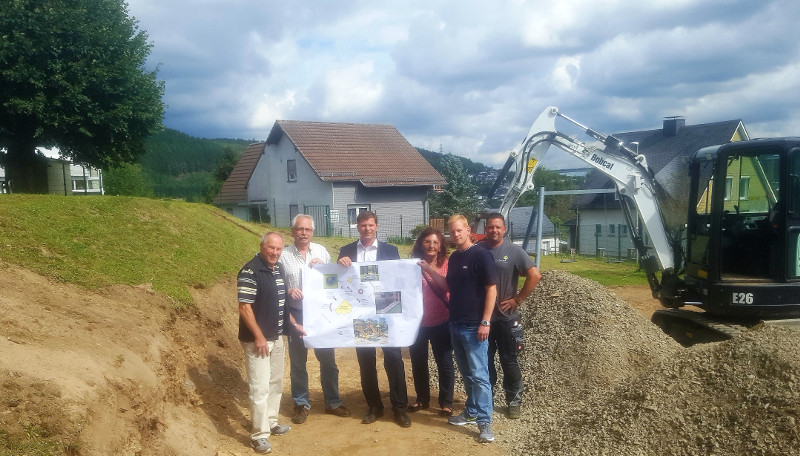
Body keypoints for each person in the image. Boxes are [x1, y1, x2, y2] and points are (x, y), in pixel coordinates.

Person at [337, 211, 411, 428]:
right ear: (357, 227)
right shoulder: (347, 251)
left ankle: (399, 408)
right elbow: (341, 282)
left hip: (386, 309)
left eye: (370, 225)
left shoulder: (391, 250)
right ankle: (374, 406)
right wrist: (340, 264)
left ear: (376, 226)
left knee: (393, 360)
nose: (366, 228)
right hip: (363, 312)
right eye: (362, 225)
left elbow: (398, 279)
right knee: (367, 361)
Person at [280, 214, 350, 425]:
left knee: (328, 360)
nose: (304, 233)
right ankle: (301, 403)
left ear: (312, 232)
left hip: (321, 314)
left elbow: (332, 283)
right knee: (298, 363)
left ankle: (333, 401)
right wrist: (289, 290)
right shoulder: (283, 256)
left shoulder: (321, 251)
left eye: (308, 230)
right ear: (292, 231)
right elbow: (277, 286)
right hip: (296, 313)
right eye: (300, 229)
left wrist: (324, 268)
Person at [480, 212, 541, 419]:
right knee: (485, 362)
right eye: (490, 227)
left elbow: (535, 275)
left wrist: (518, 299)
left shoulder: (514, 251)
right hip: (484, 320)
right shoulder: (478, 250)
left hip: (506, 319)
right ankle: (486, 401)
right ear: (485, 229)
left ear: (504, 229)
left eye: (498, 227)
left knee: (509, 361)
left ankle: (513, 402)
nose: (494, 230)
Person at [237, 232, 292, 454]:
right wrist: (259, 336)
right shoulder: (250, 271)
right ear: (262, 246)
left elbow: (280, 302)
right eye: (271, 248)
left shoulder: (278, 269)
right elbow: (244, 307)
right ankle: (258, 435)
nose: (275, 253)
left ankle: (271, 421)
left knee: (275, 382)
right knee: (259, 388)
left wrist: (293, 324)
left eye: (279, 249)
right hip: (257, 341)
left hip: (277, 337)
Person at [445, 214, 497, 444]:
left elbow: (492, 289)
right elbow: (448, 286)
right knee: (467, 374)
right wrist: (426, 268)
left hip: (474, 327)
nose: (456, 234)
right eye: (452, 231)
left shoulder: (480, 255)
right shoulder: (455, 257)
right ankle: (472, 410)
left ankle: (484, 422)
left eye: (459, 230)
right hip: (455, 324)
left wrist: (485, 321)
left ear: (468, 230)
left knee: (480, 375)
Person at [409, 227, 455, 417]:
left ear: (441, 246)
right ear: (421, 243)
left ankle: (446, 402)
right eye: (427, 241)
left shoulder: (447, 264)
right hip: (416, 323)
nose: (431, 245)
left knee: (444, 363)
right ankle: (422, 399)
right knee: (418, 363)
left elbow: (447, 286)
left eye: (435, 242)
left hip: (442, 321)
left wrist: (428, 269)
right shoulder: (411, 265)